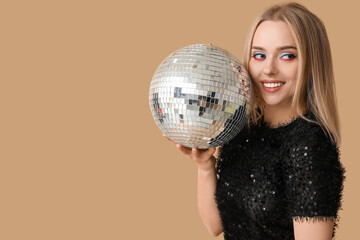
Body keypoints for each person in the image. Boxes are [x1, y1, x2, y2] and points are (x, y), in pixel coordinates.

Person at [163, 2, 346, 240]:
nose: (268, 69)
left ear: (311, 64)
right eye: (259, 55)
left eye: (287, 56)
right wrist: (205, 166)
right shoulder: (242, 128)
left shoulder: (310, 146)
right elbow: (215, 225)